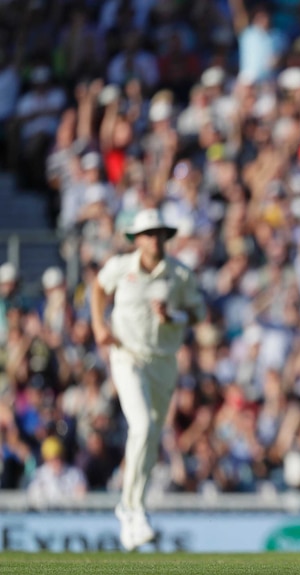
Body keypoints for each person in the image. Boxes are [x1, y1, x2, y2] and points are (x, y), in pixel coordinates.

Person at [90, 208, 206, 551]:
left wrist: (174, 315)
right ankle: (129, 507)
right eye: (147, 233)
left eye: (158, 233)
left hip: (163, 362)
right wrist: (99, 326)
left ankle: (134, 510)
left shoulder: (179, 274)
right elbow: (97, 289)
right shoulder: (121, 267)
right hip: (127, 356)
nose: (153, 239)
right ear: (137, 238)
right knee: (140, 426)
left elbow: (199, 314)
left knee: (152, 435)